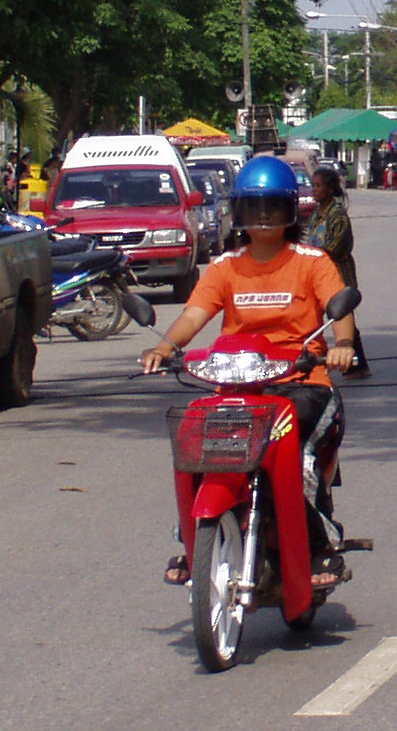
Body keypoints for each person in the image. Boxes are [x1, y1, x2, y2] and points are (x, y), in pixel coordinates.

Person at [142, 153, 360, 590]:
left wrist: (344, 346)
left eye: (272, 207)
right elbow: (195, 314)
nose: (263, 218)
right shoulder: (225, 267)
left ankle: (321, 545)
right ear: (238, 212)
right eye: (253, 208)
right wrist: (165, 347)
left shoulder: (312, 261)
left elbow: (340, 309)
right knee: (197, 444)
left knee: (294, 457)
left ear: (288, 211)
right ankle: (194, 543)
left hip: (302, 385)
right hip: (237, 387)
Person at [306, 166, 369, 378]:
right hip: (318, 275)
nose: (314, 190)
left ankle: (356, 364)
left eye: (318, 186)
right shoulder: (317, 213)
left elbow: (334, 247)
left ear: (330, 188)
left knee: (342, 318)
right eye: (313, 186)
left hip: (338, 274)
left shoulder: (337, 215)